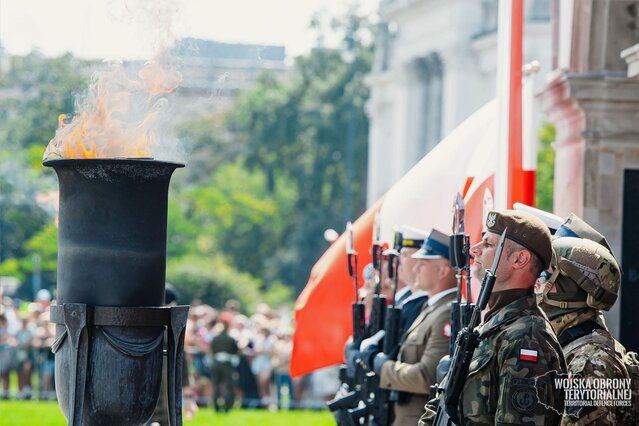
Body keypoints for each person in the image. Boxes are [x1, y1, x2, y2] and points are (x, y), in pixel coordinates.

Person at [420, 209, 567, 425]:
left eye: (488, 244)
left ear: (519, 259)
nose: (474, 250)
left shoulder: (527, 337)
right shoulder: (490, 325)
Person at [537, 214, 637, 425]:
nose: (536, 284)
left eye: (546, 277)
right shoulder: (567, 343)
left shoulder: (590, 362)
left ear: (569, 288)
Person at [370, 229, 456, 425]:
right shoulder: (431, 308)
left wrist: (383, 366)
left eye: (423, 264)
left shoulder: (445, 313)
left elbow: (427, 376)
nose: (416, 268)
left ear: (443, 271)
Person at [210, 312, 240, 412]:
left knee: (216, 385)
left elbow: (213, 350)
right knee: (229, 386)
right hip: (227, 364)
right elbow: (236, 351)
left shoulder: (215, 338)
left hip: (217, 363)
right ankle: (228, 406)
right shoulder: (231, 338)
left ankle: (216, 407)